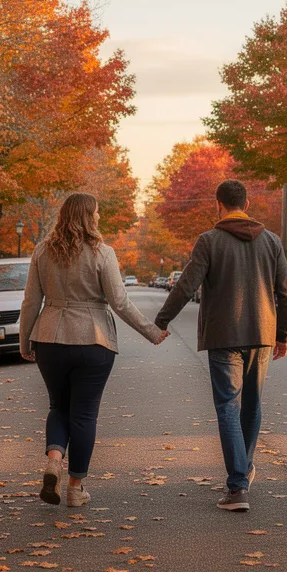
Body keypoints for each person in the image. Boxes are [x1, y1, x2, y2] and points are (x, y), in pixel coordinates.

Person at [20, 192, 169, 508]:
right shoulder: (103, 253)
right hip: (94, 341)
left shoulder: (42, 252)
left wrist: (25, 340)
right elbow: (120, 302)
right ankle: (75, 488)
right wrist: (152, 332)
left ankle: (53, 461)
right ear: (89, 217)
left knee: (59, 406)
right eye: (97, 213)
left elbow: (31, 301)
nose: (99, 217)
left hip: (49, 339)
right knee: (84, 413)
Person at [155, 179, 287, 512]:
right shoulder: (272, 241)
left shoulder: (209, 241)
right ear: (246, 203)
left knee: (228, 407)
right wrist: (282, 335)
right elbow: (286, 292)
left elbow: (187, 285)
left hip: (224, 336)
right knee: (251, 405)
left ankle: (237, 486)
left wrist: (161, 321)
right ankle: (242, 472)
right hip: (261, 335)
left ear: (218, 205)